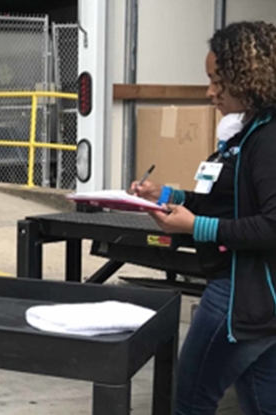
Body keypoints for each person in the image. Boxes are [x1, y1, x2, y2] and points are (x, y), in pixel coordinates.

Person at [133, 21, 276, 415]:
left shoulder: (267, 140)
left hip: (239, 297)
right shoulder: (249, 132)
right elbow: (223, 202)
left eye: (218, 81)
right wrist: (165, 195)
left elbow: (272, 225)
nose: (210, 91)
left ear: (248, 76)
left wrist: (194, 226)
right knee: (263, 405)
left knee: (190, 402)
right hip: (255, 300)